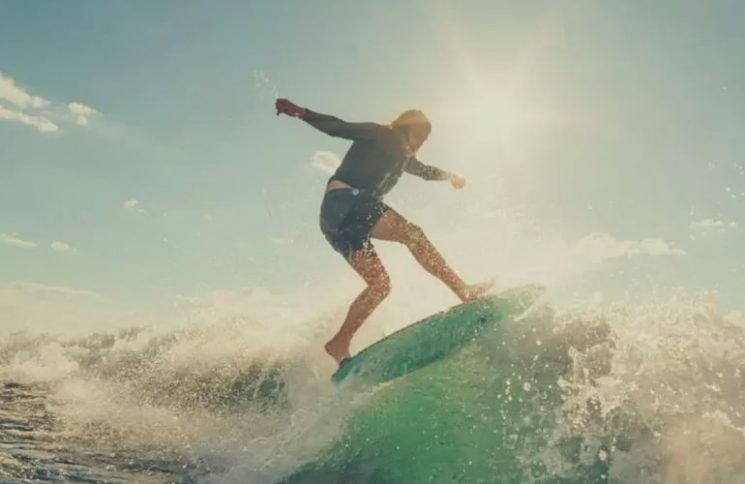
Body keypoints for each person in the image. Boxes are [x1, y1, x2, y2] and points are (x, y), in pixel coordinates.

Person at [275, 98, 492, 366]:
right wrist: (302, 113)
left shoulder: (404, 158)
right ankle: (463, 290)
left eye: (425, 140)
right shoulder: (381, 134)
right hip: (346, 201)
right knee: (414, 235)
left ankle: (339, 343)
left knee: (380, 286)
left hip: (335, 223)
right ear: (404, 127)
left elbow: (424, 171)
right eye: (419, 135)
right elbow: (339, 127)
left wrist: (450, 176)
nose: (420, 143)